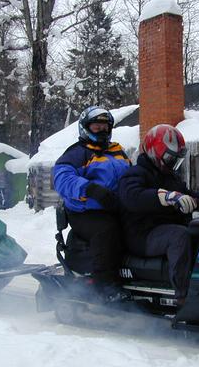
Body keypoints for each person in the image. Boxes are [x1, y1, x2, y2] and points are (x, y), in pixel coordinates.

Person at [118, 124, 199, 303]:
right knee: (179, 236)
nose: (173, 163)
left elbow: (185, 195)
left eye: (176, 159)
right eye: (169, 158)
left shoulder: (169, 177)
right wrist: (164, 197)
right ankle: (183, 296)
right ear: (154, 151)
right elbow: (132, 197)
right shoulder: (135, 174)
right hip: (142, 234)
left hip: (161, 229)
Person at [53, 106, 131, 302]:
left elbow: (132, 174)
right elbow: (61, 178)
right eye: (96, 127)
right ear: (86, 128)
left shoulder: (117, 151)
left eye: (105, 127)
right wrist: (91, 189)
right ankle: (104, 286)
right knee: (107, 230)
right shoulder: (77, 153)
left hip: (115, 206)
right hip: (85, 211)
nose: (102, 131)